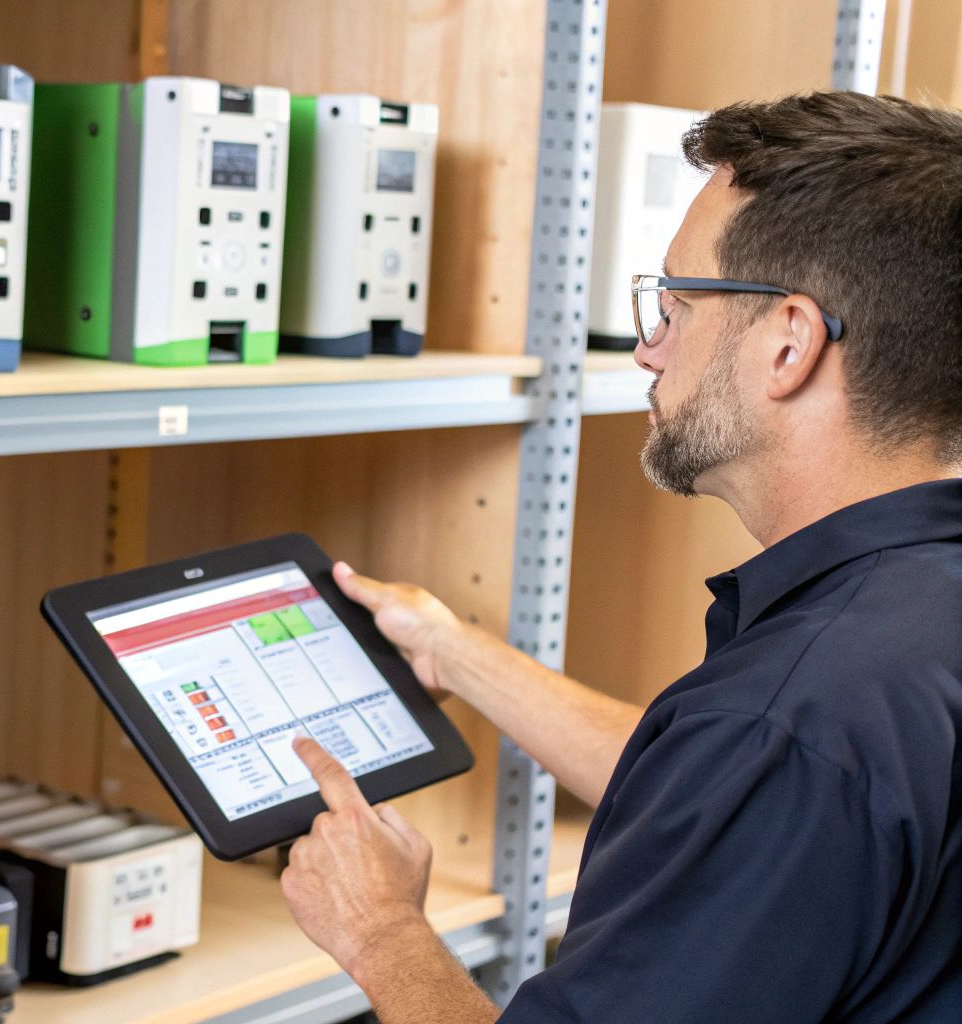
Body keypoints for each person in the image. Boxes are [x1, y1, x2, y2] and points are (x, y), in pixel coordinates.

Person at [279, 90, 962, 1023]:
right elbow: (739, 805)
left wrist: (380, 930)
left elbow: (763, 765)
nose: (648, 350)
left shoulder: (787, 719)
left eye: (676, 303)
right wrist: (452, 651)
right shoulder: (902, 626)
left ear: (790, 345)